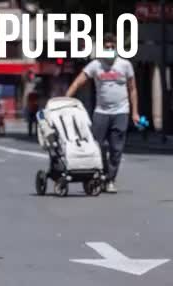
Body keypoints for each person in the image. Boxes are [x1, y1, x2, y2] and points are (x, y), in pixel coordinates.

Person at [66, 33, 139, 193]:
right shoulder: (95, 65)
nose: (110, 49)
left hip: (121, 112)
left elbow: (132, 89)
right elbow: (78, 82)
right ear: (102, 48)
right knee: (97, 146)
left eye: (113, 47)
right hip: (101, 112)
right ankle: (100, 174)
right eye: (107, 47)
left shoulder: (125, 65)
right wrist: (65, 99)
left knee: (116, 148)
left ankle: (110, 179)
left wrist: (135, 113)